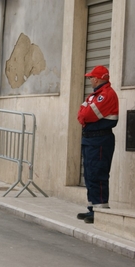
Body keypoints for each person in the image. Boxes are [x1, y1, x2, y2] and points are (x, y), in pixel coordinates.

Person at [77, 65, 119, 224]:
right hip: (90, 139)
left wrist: (84, 112)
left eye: (91, 77)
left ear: (99, 78)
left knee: (98, 174)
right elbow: (80, 114)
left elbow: (87, 113)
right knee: (89, 174)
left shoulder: (106, 95)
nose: (90, 80)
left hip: (100, 139)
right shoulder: (94, 95)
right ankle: (92, 208)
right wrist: (84, 113)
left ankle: (101, 212)